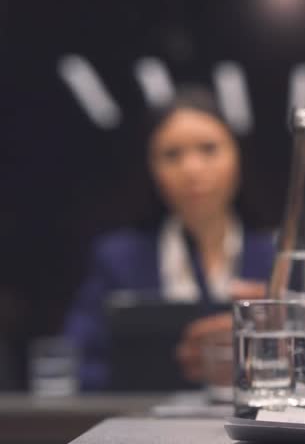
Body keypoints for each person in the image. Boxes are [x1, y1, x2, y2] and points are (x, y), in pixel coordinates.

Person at [63, 87, 275, 391]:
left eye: (208, 149)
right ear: (153, 168)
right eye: (172, 155)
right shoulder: (117, 258)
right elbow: (77, 361)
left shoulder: (279, 255)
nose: (191, 169)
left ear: (237, 156)